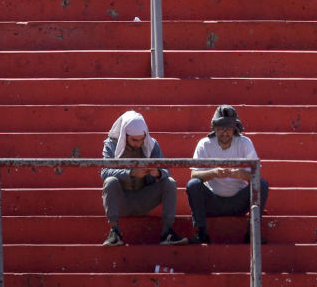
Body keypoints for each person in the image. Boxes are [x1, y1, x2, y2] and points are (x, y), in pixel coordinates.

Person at [100, 109, 188, 246]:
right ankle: (114, 231)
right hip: (122, 199)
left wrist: (158, 173)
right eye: (134, 140)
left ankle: (168, 232)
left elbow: (166, 171)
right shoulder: (111, 145)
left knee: (169, 182)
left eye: (142, 139)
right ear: (124, 135)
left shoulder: (151, 144)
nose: (139, 144)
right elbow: (104, 173)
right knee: (110, 181)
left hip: (144, 197)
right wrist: (131, 173)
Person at [184, 105, 269, 244]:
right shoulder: (204, 144)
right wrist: (213, 173)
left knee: (262, 184)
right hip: (212, 201)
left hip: (238, 202)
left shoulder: (244, 143)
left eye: (228, 129)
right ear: (214, 129)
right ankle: (201, 233)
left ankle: (252, 234)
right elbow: (194, 174)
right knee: (193, 185)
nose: (224, 133)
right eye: (220, 129)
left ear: (234, 129)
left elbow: (256, 175)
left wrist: (241, 174)